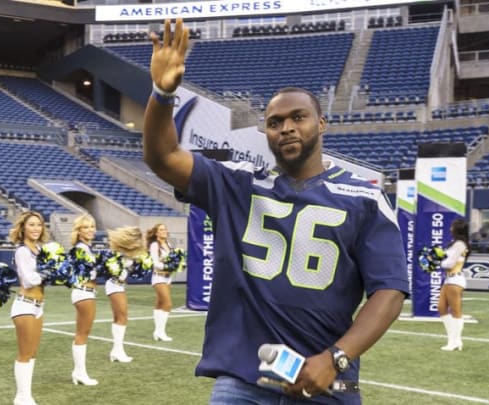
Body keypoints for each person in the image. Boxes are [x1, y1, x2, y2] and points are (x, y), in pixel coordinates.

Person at [143, 19, 408, 404]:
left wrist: (335, 358)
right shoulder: (237, 184)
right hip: (243, 380)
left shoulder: (363, 197)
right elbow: (163, 156)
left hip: (327, 381)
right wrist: (162, 94)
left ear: (321, 123)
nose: (285, 128)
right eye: (274, 122)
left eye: (297, 117)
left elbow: (389, 291)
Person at [9, 211, 50, 405]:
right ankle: (22, 397)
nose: (36, 228)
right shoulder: (22, 251)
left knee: (32, 352)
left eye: (39, 225)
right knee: (25, 353)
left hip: (38, 306)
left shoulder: (40, 249)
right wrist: (50, 271)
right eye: (32, 224)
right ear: (23, 228)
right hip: (25, 306)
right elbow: (29, 279)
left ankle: (25, 394)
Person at [105, 226, 146, 362]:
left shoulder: (127, 252)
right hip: (114, 284)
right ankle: (118, 350)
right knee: (122, 317)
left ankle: (116, 350)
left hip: (118, 285)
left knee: (119, 318)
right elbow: (114, 269)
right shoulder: (117, 252)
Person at [69, 214, 99, 385]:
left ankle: (78, 372)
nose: (89, 230)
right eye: (85, 227)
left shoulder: (86, 247)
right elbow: (86, 273)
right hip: (84, 292)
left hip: (85, 293)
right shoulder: (81, 248)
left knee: (82, 333)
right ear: (79, 231)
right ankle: (80, 373)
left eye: (92, 226)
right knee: (83, 334)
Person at [438, 218, 469, 351]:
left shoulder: (460, 244)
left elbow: (450, 263)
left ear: (457, 229)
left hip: (455, 279)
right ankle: (452, 339)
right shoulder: (454, 243)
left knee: (456, 311)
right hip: (449, 280)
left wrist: (437, 262)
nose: (450, 229)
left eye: (452, 227)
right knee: (441, 307)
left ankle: (456, 341)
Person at [147, 223, 174, 342]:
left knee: (160, 304)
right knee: (167, 304)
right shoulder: (154, 245)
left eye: (165, 229)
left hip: (168, 277)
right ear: (156, 233)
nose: (164, 231)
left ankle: (157, 332)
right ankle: (161, 332)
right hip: (158, 277)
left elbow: (174, 259)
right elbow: (155, 263)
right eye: (161, 230)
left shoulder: (169, 244)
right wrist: (168, 265)